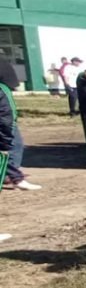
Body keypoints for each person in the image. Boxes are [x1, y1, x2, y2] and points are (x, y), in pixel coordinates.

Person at [0, 62, 41, 191]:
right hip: (4, 124)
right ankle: (15, 177)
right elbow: (7, 115)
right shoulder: (3, 90)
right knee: (13, 146)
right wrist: (5, 141)